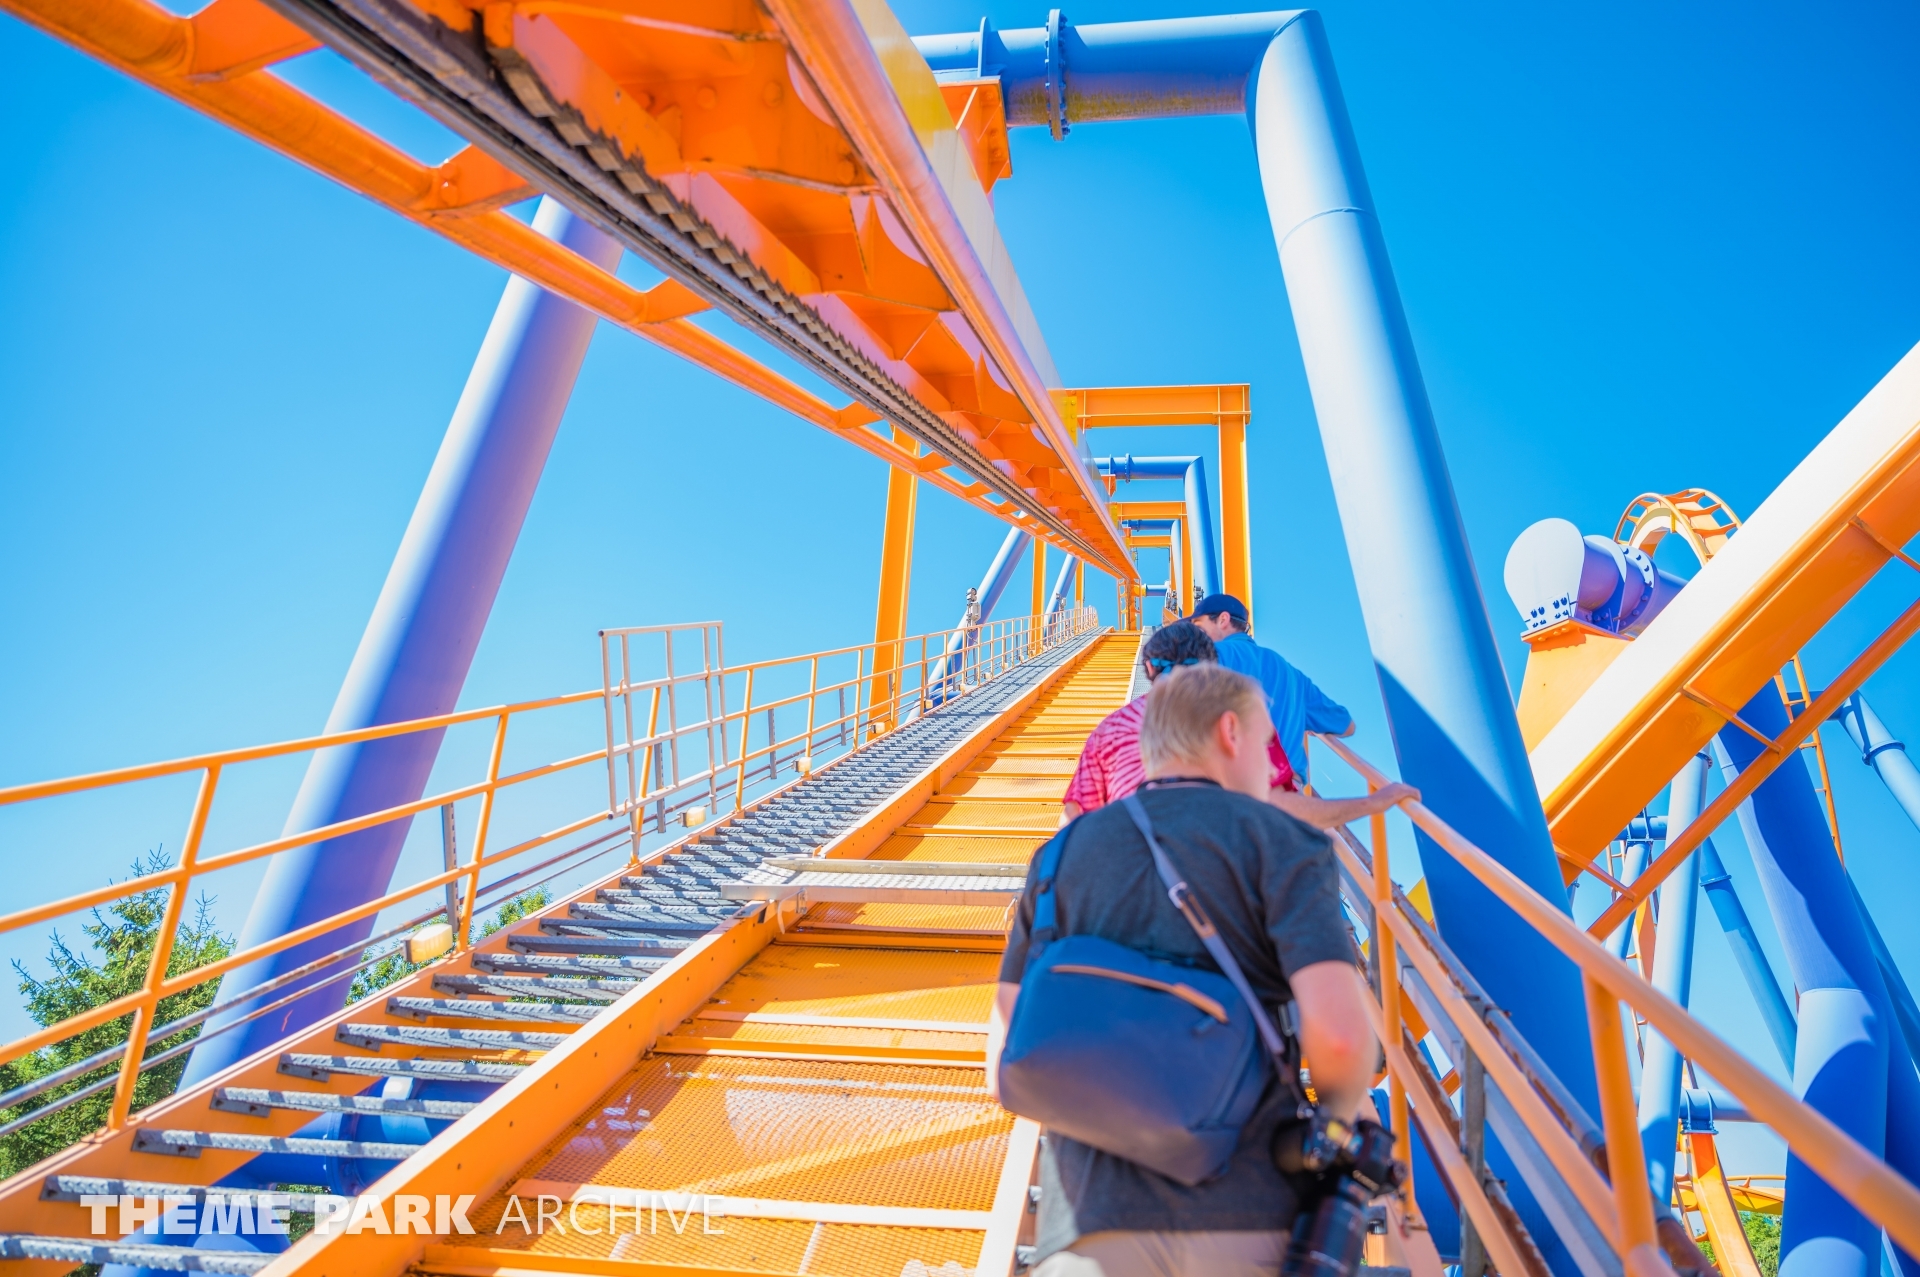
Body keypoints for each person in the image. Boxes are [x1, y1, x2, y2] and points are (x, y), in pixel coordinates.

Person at [990, 664, 1397, 1277]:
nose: (1270, 764)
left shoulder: (1056, 858)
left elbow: (1002, 1063)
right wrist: (1339, 1123)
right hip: (1246, 1211)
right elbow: (1339, 1039)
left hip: (1086, 1223)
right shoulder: (1283, 840)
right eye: (1266, 744)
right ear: (1230, 732)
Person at [1061, 622, 1411, 832]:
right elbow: (1283, 808)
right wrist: (1372, 803)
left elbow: (1074, 820)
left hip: (1129, 897)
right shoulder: (1239, 718)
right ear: (1213, 666)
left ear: (1150, 671)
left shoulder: (1108, 730)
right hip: (1221, 894)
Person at [1189, 593, 1352, 785]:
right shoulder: (1292, 675)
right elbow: (1346, 725)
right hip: (1288, 788)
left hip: (1231, 782)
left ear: (1223, 619)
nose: (1196, 635)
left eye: (1199, 627)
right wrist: (1301, 721)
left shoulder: (1210, 656)